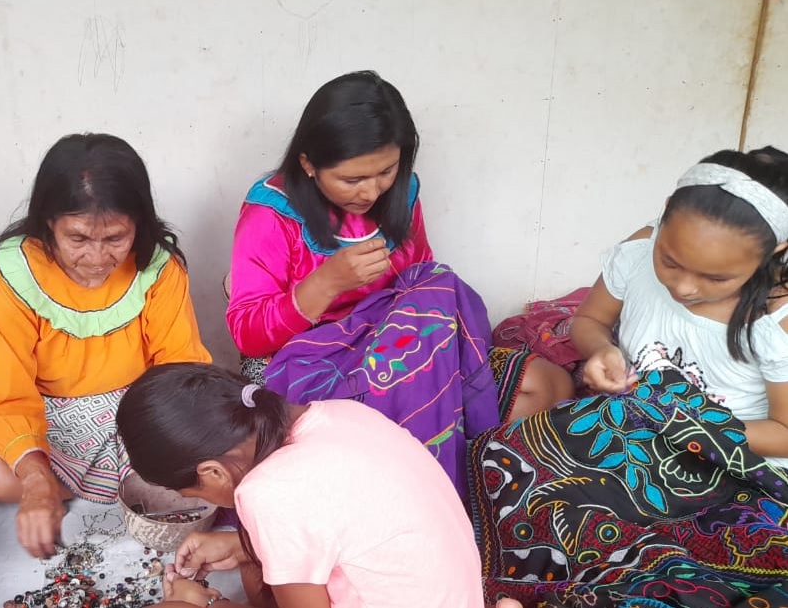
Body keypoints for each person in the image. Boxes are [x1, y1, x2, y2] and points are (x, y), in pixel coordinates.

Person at [225, 71, 572, 496]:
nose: (370, 192)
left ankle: (440, 479)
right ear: (308, 164)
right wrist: (326, 284)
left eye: (386, 171)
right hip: (314, 366)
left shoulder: (401, 193)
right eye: (352, 180)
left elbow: (422, 283)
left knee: (548, 385)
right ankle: (430, 485)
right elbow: (247, 334)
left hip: (399, 349)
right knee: (369, 438)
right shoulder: (272, 213)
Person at [0, 133, 212, 558]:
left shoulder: (158, 266)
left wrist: (167, 437)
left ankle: (101, 484)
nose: (97, 258)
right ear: (49, 224)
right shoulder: (17, 270)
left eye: (115, 238)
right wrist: (36, 480)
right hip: (49, 411)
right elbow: (7, 391)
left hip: (138, 407)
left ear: (138, 224)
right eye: (78, 238)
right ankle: (96, 486)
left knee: (209, 455)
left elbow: (180, 369)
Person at [116, 363, 484, 608]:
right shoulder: (341, 413)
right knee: (254, 572)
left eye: (192, 493)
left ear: (213, 472)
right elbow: (331, 522)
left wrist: (201, 603)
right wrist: (245, 547)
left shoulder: (267, 491)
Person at [573, 146, 788, 467]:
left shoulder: (776, 319)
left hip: (730, 457)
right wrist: (600, 349)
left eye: (716, 278)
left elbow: (783, 434)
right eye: (670, 262)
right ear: (667, 210)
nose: (683, 287)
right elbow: (590, 319)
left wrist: (689, 428)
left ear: (773, 252)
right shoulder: (640, 250)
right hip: (633, 426)